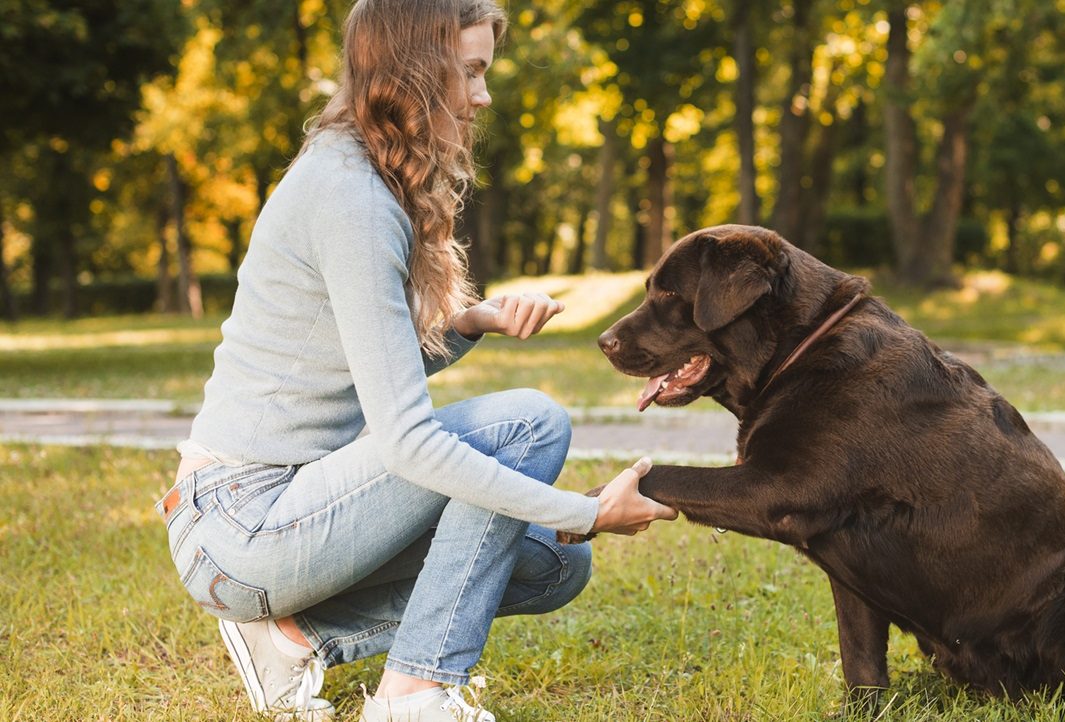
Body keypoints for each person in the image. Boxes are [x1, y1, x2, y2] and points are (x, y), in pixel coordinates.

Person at [155, 1, 678, 720]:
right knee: (528, 425)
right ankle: (414, 695)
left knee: (556, 565)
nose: (483, 96)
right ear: (415, 73)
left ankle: (291, 636)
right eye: (470, 72)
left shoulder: (364, 176)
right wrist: (584, 511)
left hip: (291, 512)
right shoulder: (352, 197)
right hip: (241, 521)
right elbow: (407, 443)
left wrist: (466, 324)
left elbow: (356, 366)